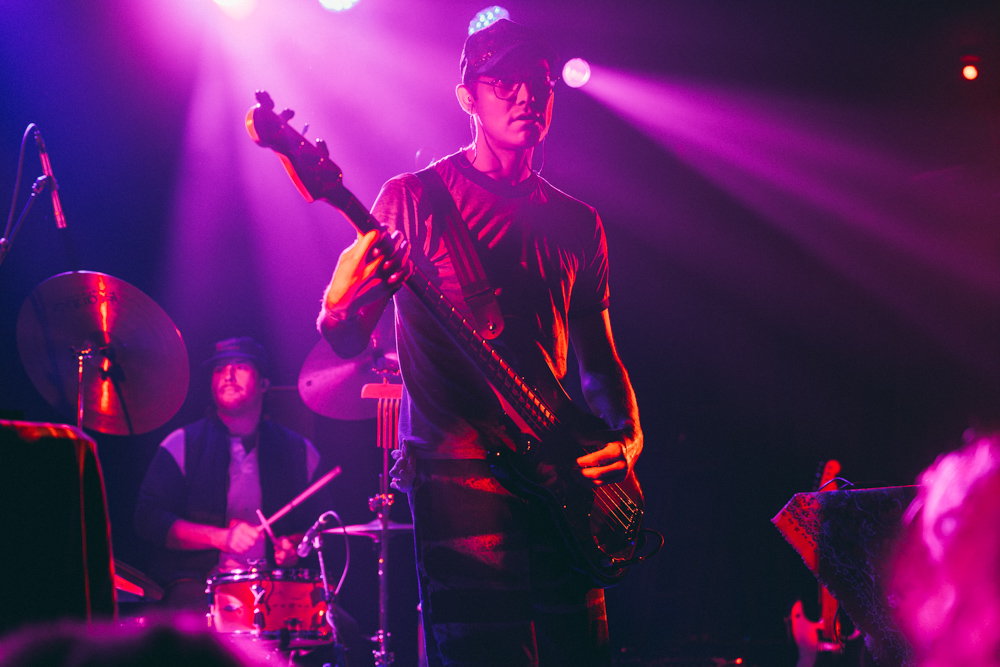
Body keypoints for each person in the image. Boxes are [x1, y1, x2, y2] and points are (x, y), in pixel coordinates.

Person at [317, 18, 643, 667]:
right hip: (459, 482)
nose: (526, 96)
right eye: (506, 82)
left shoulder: (579, 223)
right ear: (468, 96)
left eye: (538, 84)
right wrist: (334, 302)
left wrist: (627, 438)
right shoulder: (410, 201)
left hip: (561, 477)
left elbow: (599, 361)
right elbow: (347, 336)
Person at [134, 337, 328, 608]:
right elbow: (148, 518)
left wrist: (296, 545)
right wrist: (221, 537)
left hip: (277, 589)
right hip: (200, 587)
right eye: (219, 369)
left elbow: (322, 525)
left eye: (241, 366)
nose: (228, 374)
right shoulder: (181, 444)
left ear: (264, 384)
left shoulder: (299, 452)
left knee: (342, 629)